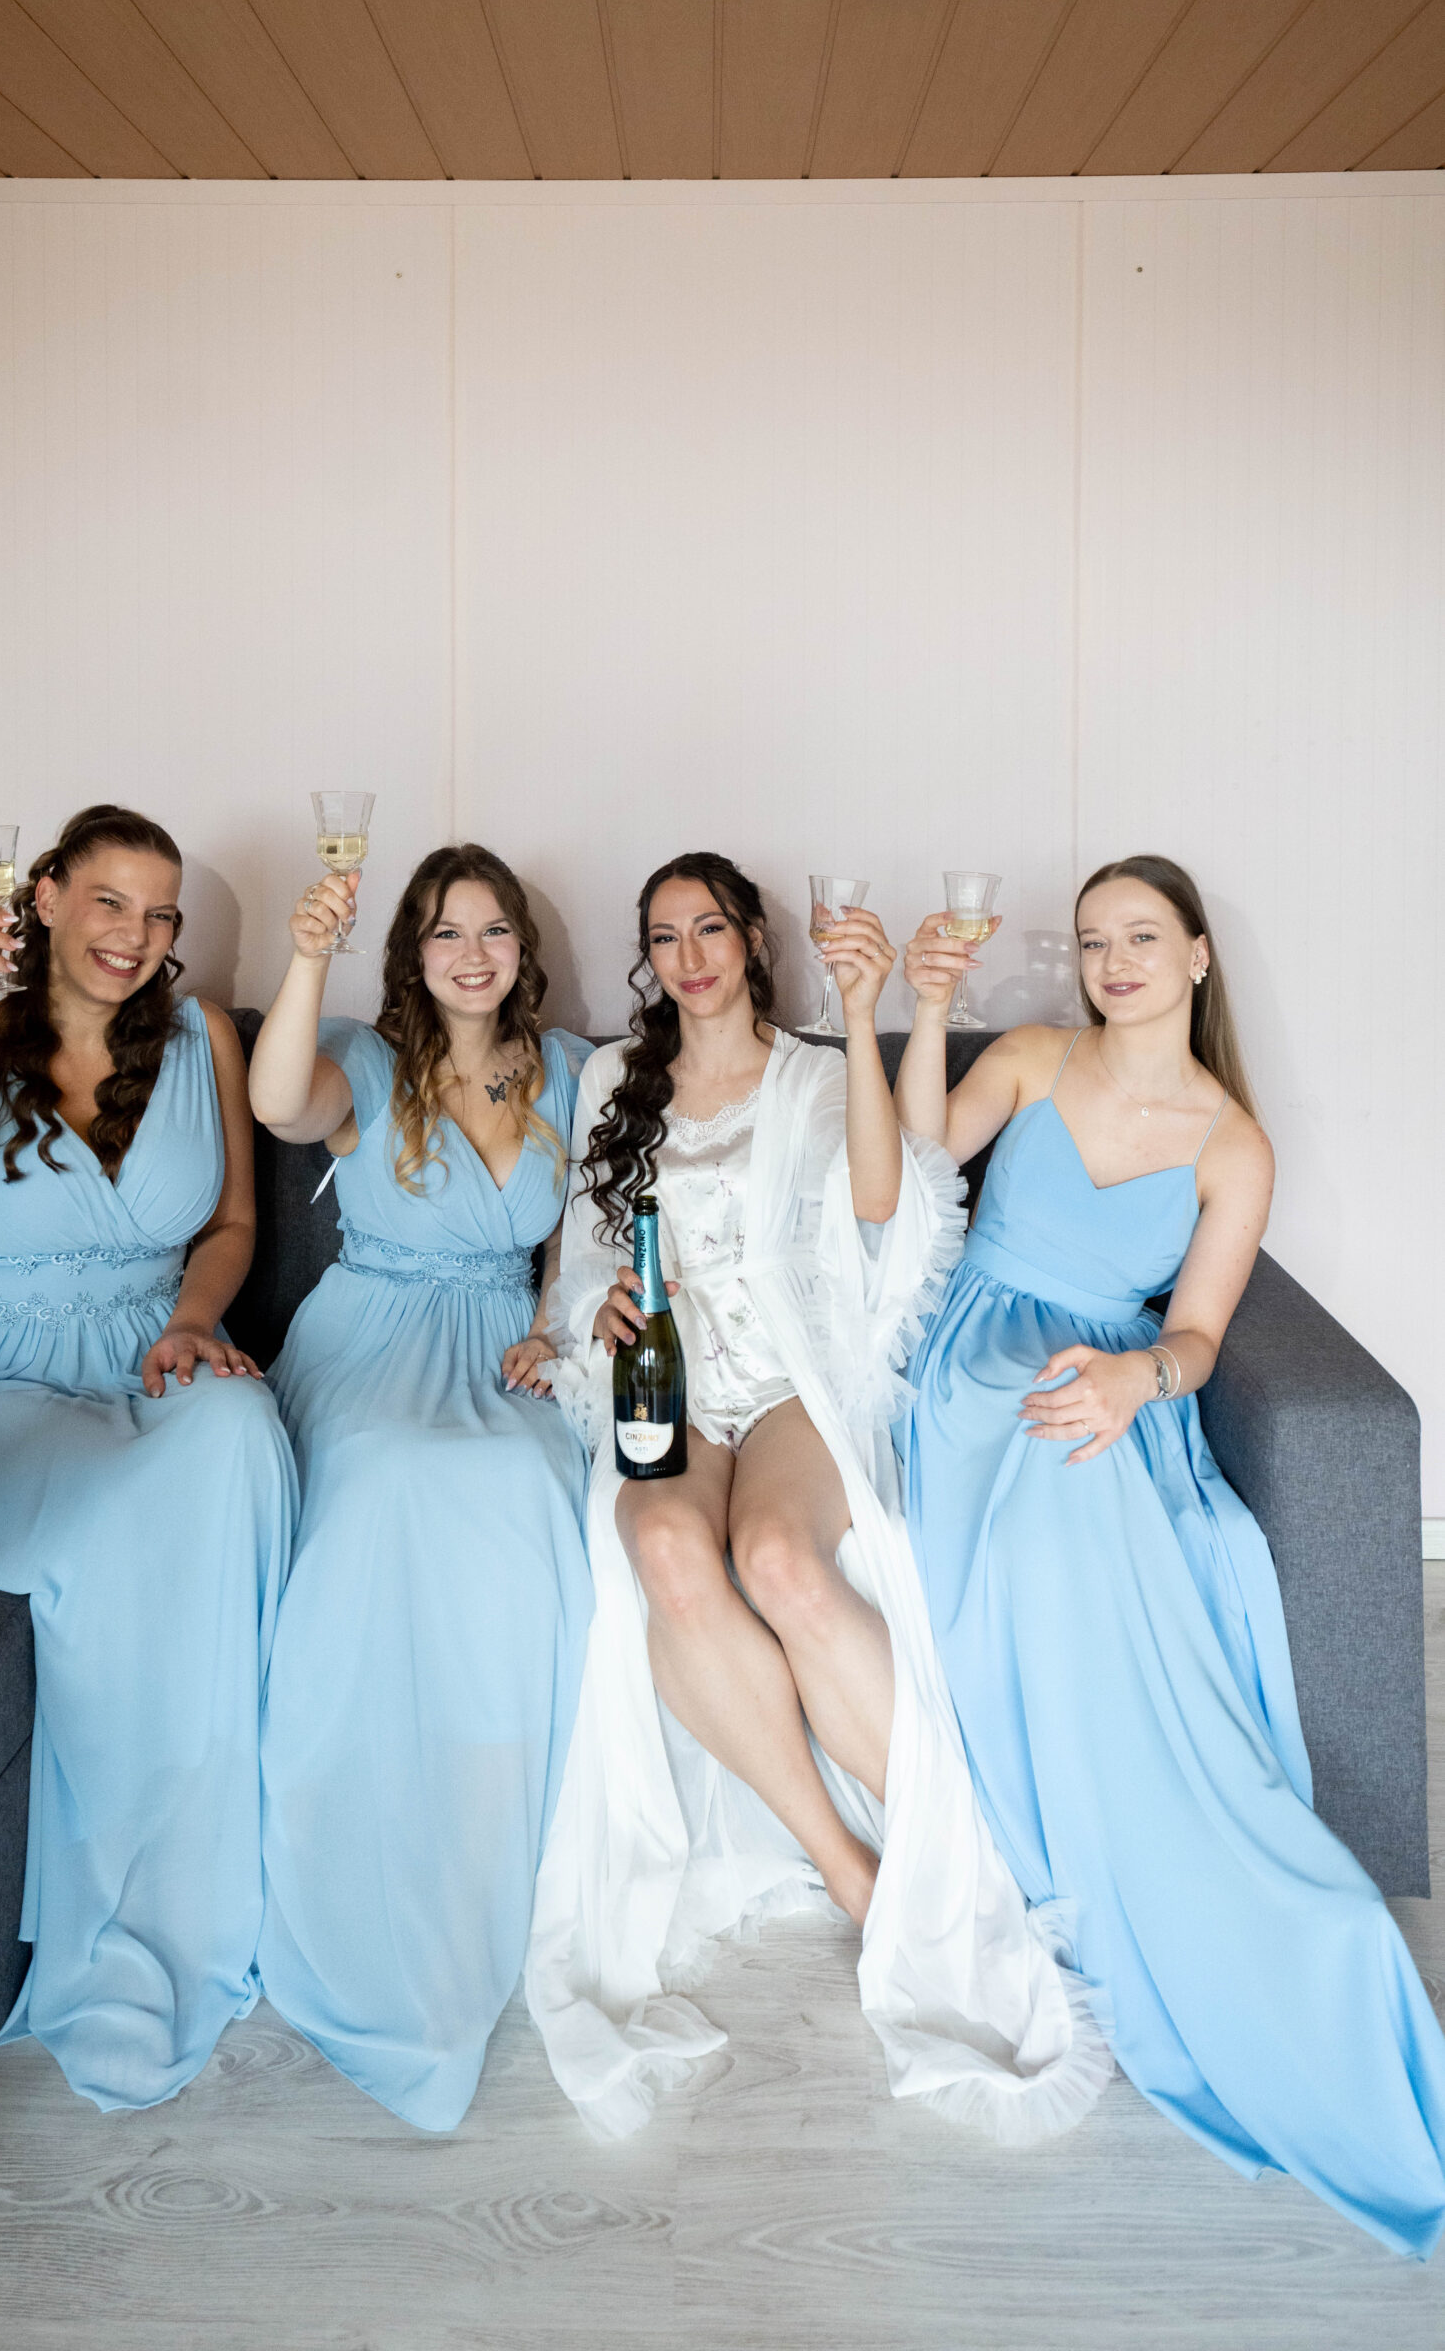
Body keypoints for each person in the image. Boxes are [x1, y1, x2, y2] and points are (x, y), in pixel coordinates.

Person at [897, 853, 1445, 2256]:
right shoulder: (1030, 1058)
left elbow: (1195, 1334)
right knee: (1046, 1469)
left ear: (1198, 955)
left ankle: (1229, 1886)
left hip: (1112, 1376)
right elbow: (910, 1165)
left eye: (1140, 936)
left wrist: (1133, 1381)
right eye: (1092, 941)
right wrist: (924, 1008)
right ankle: (1100, 1833)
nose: (1114, 962)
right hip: (973, 1354)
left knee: (1085, 1479)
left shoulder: (1230, 1144)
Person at [526, 853, 1111, 2141]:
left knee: (782, 1559)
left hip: (792, 1372)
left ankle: (942, 1845)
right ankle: (853, 1872)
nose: (689, 957)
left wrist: (860, 1013)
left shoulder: (804, 1071)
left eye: (711, 929)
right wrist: (591, 1312)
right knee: (664, 1548)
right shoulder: (613, 1079)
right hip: (672, 1381)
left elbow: (885, 1202)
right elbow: (579, 1256)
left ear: (752, 940)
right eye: (664, 936)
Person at [0, 804, 297, 2112]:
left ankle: (225, 1886)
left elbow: (230, 1222)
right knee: (118, 1521)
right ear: (43, 898)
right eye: (109, 902)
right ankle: (114, 1928)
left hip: (152, 1353)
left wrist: (196, 1323)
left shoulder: (202, 1036)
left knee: (243, 1440)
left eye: (161, 915)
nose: (136, 935)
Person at [249, 844, 595, 2131]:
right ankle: (355, 1823)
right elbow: (277, 1103)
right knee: (391, 1478)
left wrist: (555, 1330)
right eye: (447, 931)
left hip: (506, 1340)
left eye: (494, 929)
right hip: (374, 1335)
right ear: (413, 951)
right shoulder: (367, 1057)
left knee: (525, 1482)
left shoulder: (570, 1069)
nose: (472, 952)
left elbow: (583, 1242)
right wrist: (308, 952)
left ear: (522, 949)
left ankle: (484, 1814)